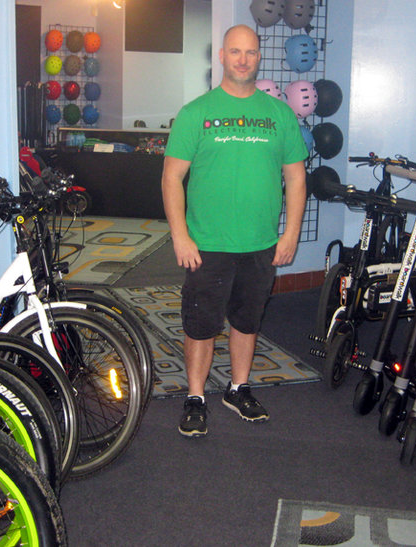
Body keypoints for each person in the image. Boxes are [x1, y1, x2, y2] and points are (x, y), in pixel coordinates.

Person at [161, 24, 308, 438]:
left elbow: (296, 179)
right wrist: (180, 235)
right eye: (235, 51)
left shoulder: (279, 115)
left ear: (258, 57)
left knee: (246, 321)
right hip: (206, 244)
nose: (243, 59)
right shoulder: (195, 113)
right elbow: (172, 178)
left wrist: (291, 232)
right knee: (201, 325)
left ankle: (238, 387)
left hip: (260, 244)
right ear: (222, 56)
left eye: (250, 52)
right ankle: (195, 396)